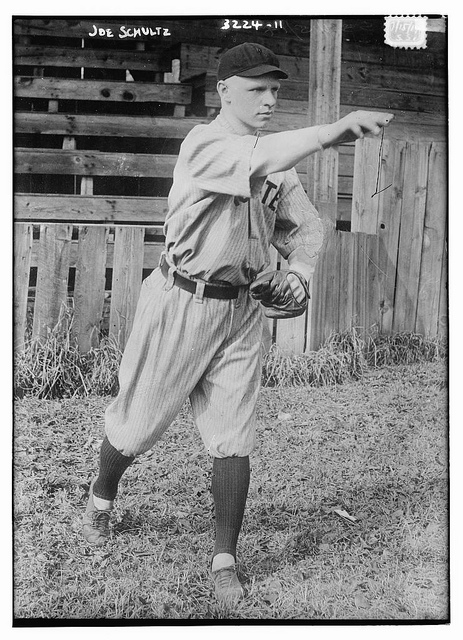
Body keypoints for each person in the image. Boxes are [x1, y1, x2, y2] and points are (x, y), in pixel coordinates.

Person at [82, 42, 393, 604]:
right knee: (137, 423)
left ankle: (225, 556)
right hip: (182, 300)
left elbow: (306, 228)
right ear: (224, 91)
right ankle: (102, 497)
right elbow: (261, 159)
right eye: (256, 89)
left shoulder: (275, 161)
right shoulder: (203, 145)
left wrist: (297, 274)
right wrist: (334, 131)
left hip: (242, 309)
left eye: (275, 89)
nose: (270, 99)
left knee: (233, 433)